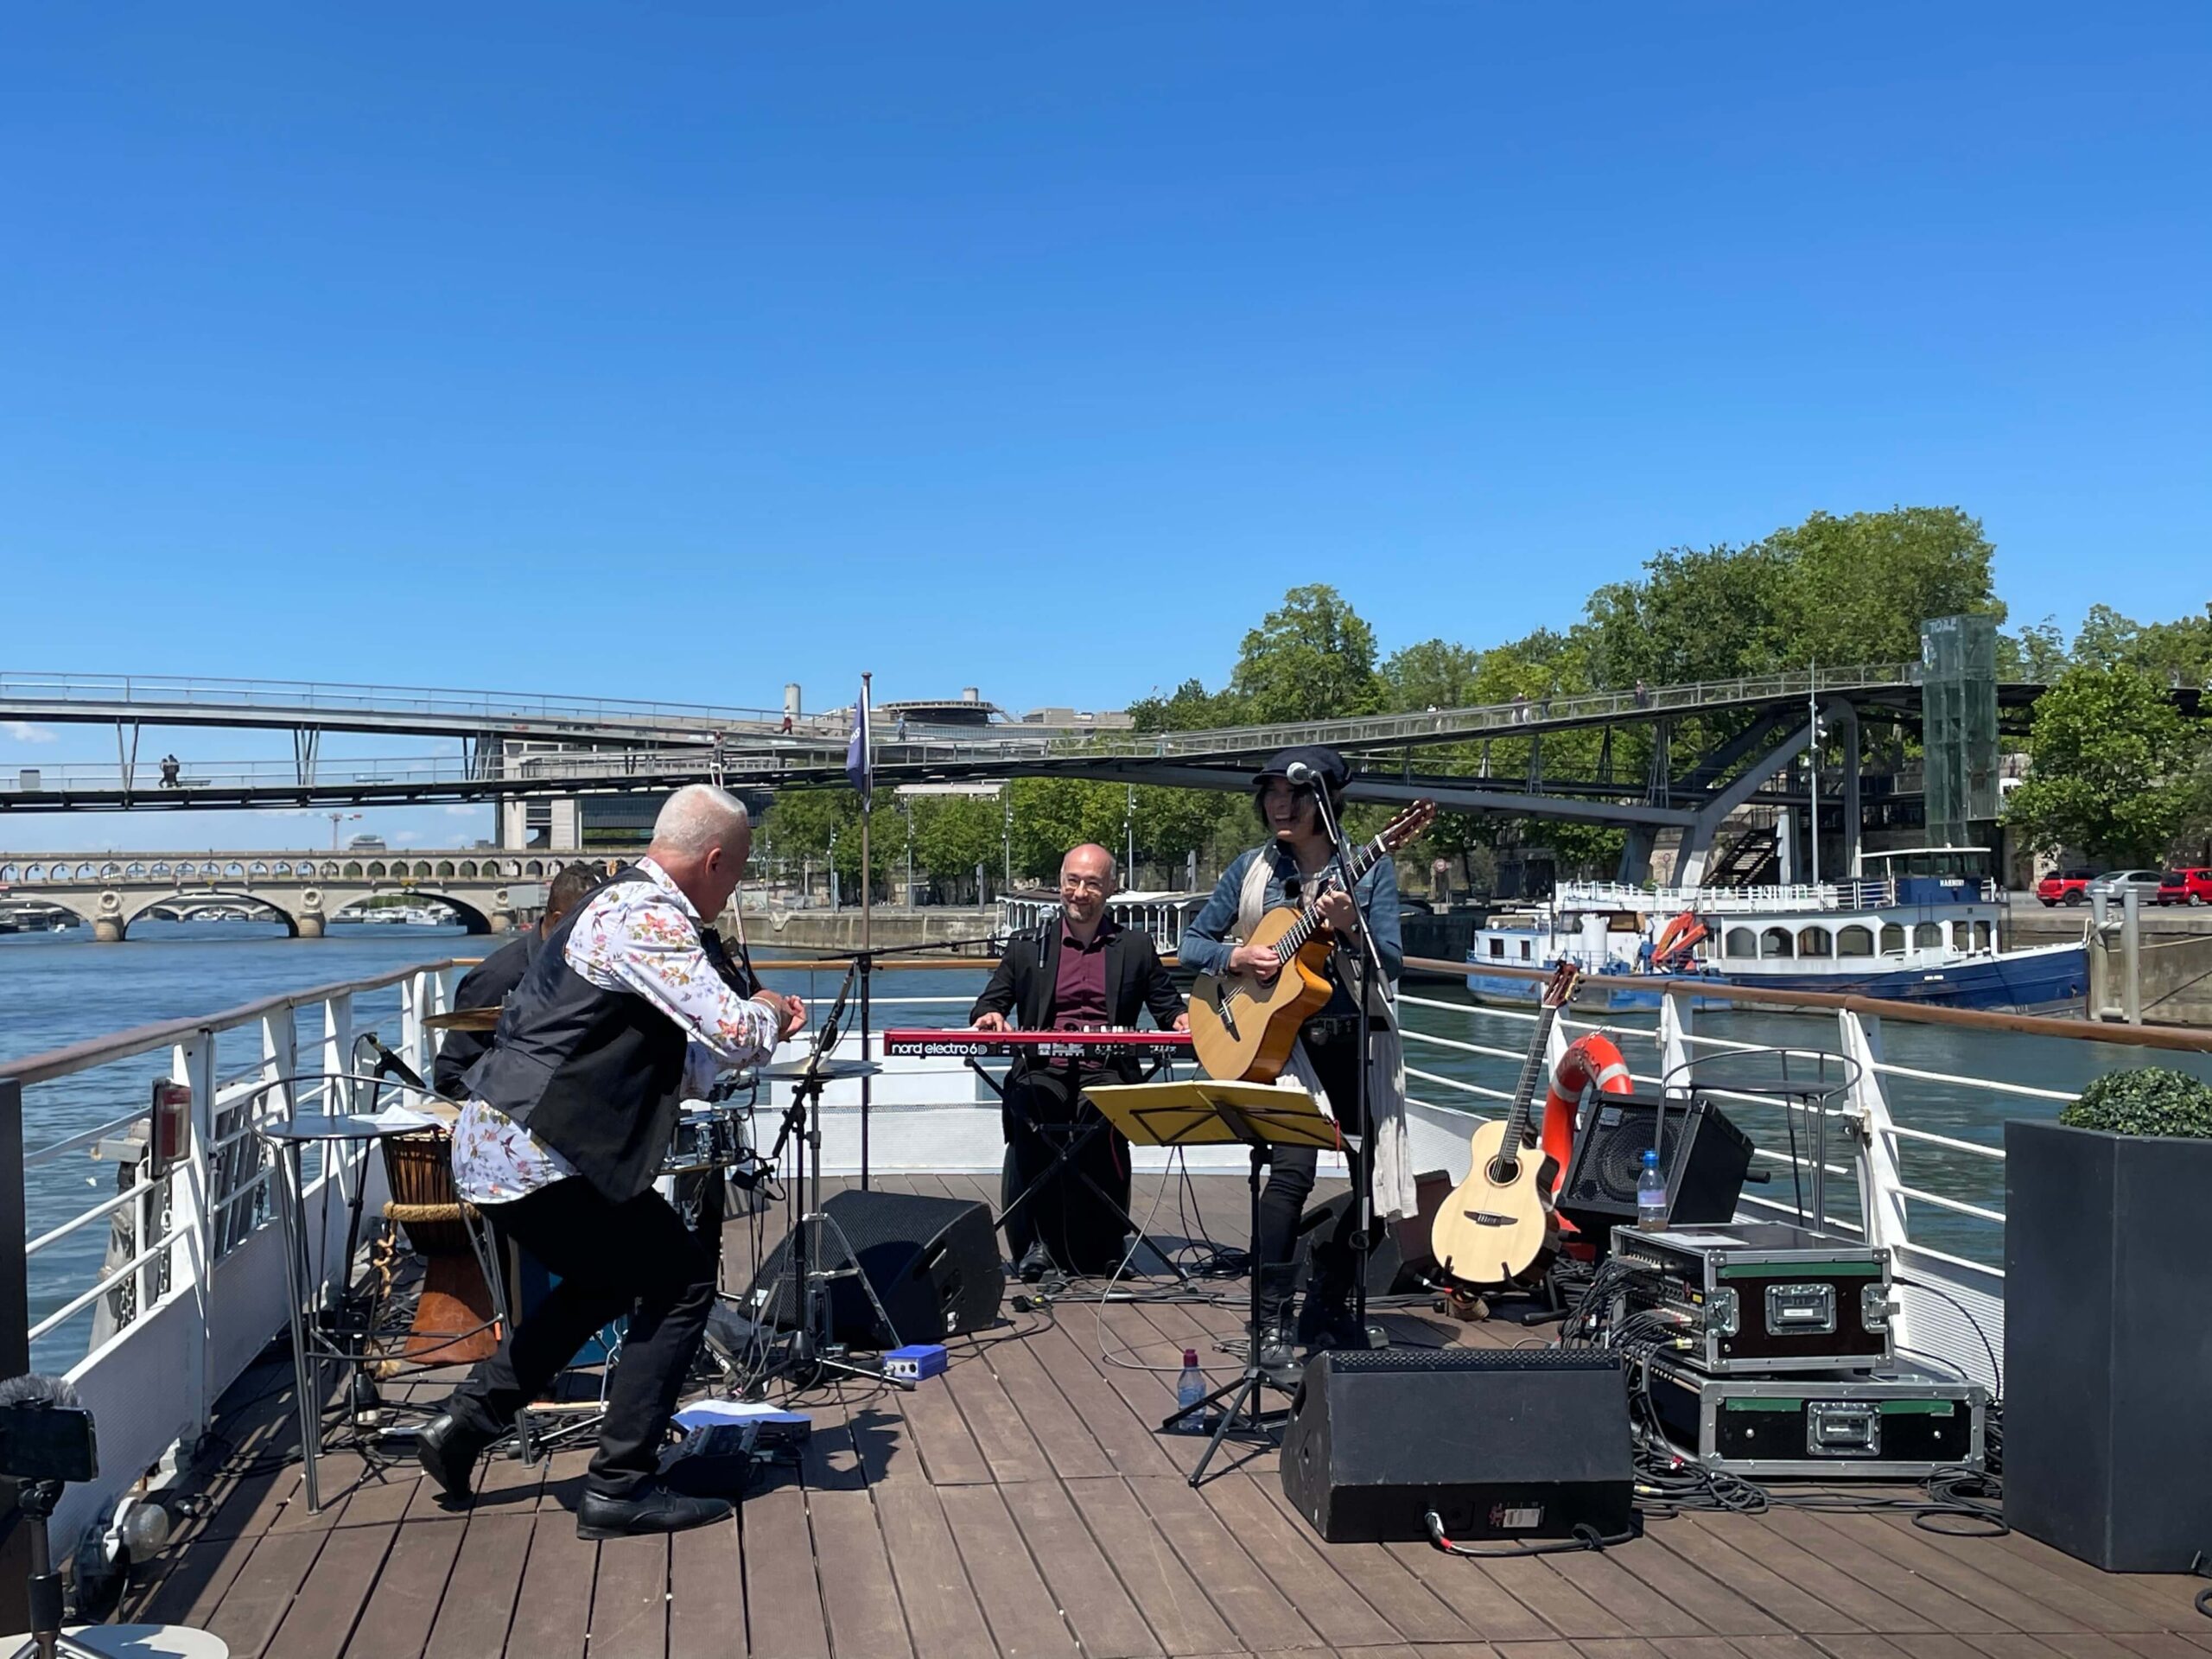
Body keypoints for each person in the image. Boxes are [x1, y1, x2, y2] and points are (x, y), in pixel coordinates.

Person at [416, 785, 806, 1540]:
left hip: (515, 1145)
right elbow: (733, 1032)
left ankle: (463, 1426)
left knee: (605, 1280)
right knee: (682, 1279)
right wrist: (773, 1012)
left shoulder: (627, 907)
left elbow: (681, 1058)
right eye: (739, 872)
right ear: (715, 860)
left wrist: (738, 1032)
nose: (736, 890)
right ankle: (619, 1485)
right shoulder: (647, 916)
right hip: (540, 1150)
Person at [1179, 747, 1411, 1382]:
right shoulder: (1250, 869)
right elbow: (1189, 944)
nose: (1280, 804)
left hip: (1353, 1042)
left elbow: (1389, 961)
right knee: (1290, 1175)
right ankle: (1271, 1318)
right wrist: (1237, 960)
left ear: (1327, 803)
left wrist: (1351, 927)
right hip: (1283, 1051)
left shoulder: (1366, 872)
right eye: (1272, 793)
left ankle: (1330, 1304)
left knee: (1377, 1188)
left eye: (1295, 794)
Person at [970, 843, 1188, 1279]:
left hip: (1108, 1067)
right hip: (1042, 1068)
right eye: (1073, 881)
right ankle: (1036, 1244)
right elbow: (989, 1003)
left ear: (1111, 888)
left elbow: (1168, 1007)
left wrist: (1183, 1019)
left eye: (1092, 883)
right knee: (1035, 1110)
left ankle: (1106, 1246)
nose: (1080, 892)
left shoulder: (1136, 946)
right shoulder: (1028, 946)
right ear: (1061, 884)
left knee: (1102, 1124)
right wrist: (990, 1016)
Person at [430, 861, 607, 1099]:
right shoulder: (497, 977)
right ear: (558, 921)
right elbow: (451, 1077)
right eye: (593, 925)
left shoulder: (598, 969)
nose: (603, 936)